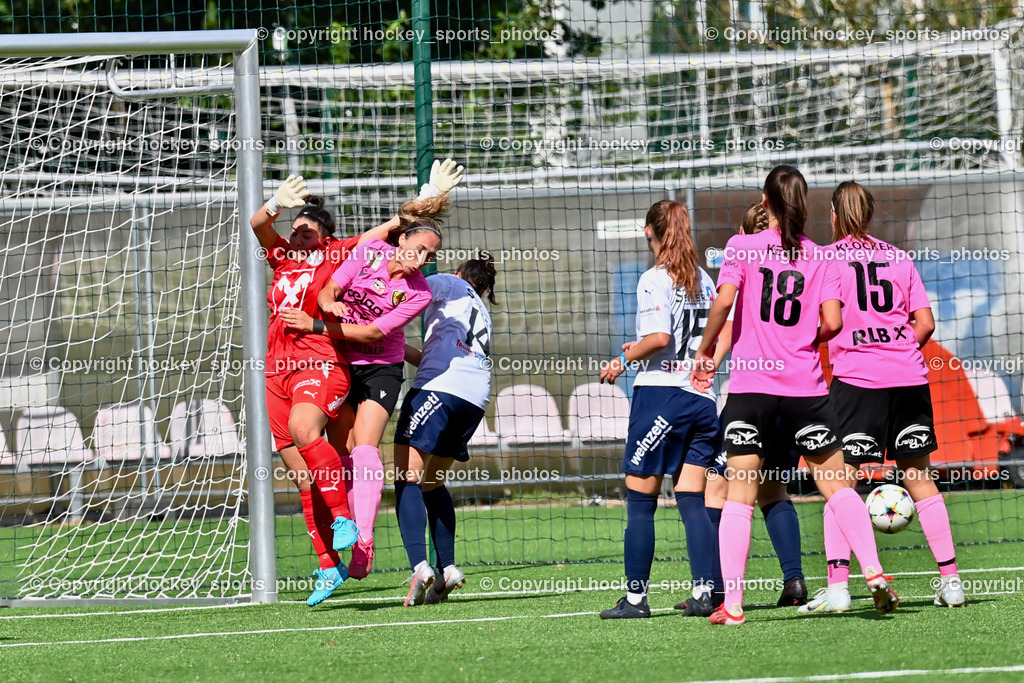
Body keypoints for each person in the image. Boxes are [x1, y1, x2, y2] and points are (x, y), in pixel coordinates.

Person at [692, 165, 898, 625]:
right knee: (837, 485)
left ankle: (733, 604)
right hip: (806, 388)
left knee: (739, 494)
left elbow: (724, 302)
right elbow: (834, 323)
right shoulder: (821, 256)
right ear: (804, 204)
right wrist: (802, 340)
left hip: (752, 389)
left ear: (765, 202)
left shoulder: (741, 246)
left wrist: (705, 353)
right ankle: (874, 572)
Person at [251, 160, 462, 605]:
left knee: (350, 445)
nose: (298, 236)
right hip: (300, 364)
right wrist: (274, 204)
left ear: (326, 239)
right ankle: (330, 565)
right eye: (295, 230)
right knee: (310, 473)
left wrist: (431, 194)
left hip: (343, 362)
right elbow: (260, 228)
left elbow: (398, 227)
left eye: (307, 231)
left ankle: (359, 533)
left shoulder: (355, 258)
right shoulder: (286, 258)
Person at [799, 180, 964, 613]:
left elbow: (819, 321)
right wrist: (897, 348)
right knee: (920, 477)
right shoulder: (899, 257)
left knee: (841, 483)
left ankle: (838, 588)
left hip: (857, 381)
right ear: (870, 215)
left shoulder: (824, 258)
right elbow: (925, 324)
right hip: (909, 378)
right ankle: (952, 583)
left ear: (834, 215)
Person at [676, 202, 807, 614]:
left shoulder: (746, 260)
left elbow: (730, 320)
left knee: (717, 485)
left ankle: (716, 590)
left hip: (753, 395)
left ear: (746, 233)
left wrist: (710, 359)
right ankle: (794, 580)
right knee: (772, 488)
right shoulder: (799, 260)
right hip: (796, 394)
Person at [303, 210, 448, 579]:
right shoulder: (369, 253)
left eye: (430, 255)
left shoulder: (419, 293)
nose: (422, 259)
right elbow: (328, 289)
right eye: (419, 248)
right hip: (339, 363)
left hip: (381, 368)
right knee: (344, 454)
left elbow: (372, 333)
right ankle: (349, 531)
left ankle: (364, 542)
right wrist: (329, 303)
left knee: (366, 448)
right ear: (401, 240)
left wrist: (319, 324)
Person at [597, 199, 722, 619]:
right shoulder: (704, 279)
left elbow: (660, 338)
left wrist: (622, 360)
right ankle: (704, 592)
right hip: (702, 400)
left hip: (662, 396)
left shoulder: (654, 278)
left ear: (649, 232)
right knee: (691, 499)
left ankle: (635, 600)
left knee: (640, 501)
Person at [392, 254, 498, 606]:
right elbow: (433, 355)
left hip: (439, 390)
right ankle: (447, 568)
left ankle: (419, 567)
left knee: (407, 477)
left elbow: (406, 294)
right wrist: (393, 347)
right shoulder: (481, 311)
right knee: (432, 483)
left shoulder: (449, 283)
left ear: (457, 274)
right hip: (473, 399)